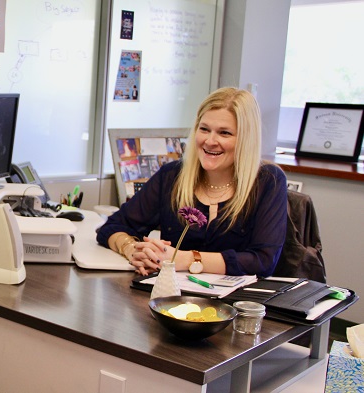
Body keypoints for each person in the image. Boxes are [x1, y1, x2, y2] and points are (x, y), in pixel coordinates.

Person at [97, 87, 288, 277]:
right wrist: (134, 250)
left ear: (246, 139)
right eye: (204, 129)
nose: (210, 141)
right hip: (171, 300)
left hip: (238, 304)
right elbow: (112, 227)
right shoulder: (172, 176)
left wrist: (186, 259)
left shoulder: (268, 181)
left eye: (225, 133)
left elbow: (263, 262)